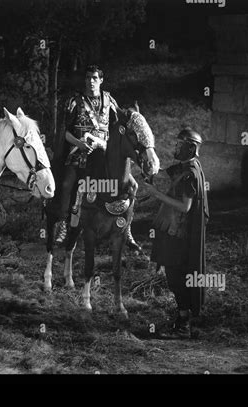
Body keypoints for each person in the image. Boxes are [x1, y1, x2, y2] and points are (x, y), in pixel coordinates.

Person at [53, 65, 142, 251]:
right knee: (68, 184)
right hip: (80, 152)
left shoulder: (110, 101)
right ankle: (63, 224)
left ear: (101, 80)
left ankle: (126, 229)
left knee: (132, 185)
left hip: (105, 153)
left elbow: (120, 123)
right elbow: (66, 132)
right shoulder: (75, 102)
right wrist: (78, 144)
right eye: (88, 78)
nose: (91, 81)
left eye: (94, 78)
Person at [144, 128, 209, 339]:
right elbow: (168, 173)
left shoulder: (190, 172)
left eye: (179, 145)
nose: (175, 147)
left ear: (191, 148)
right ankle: (182, 318)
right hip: (174, 231)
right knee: (174, 277)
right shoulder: (186, 167)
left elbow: (185, 207)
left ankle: (183, 324)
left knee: (176, 278)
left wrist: (156, 194)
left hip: (178, 233)